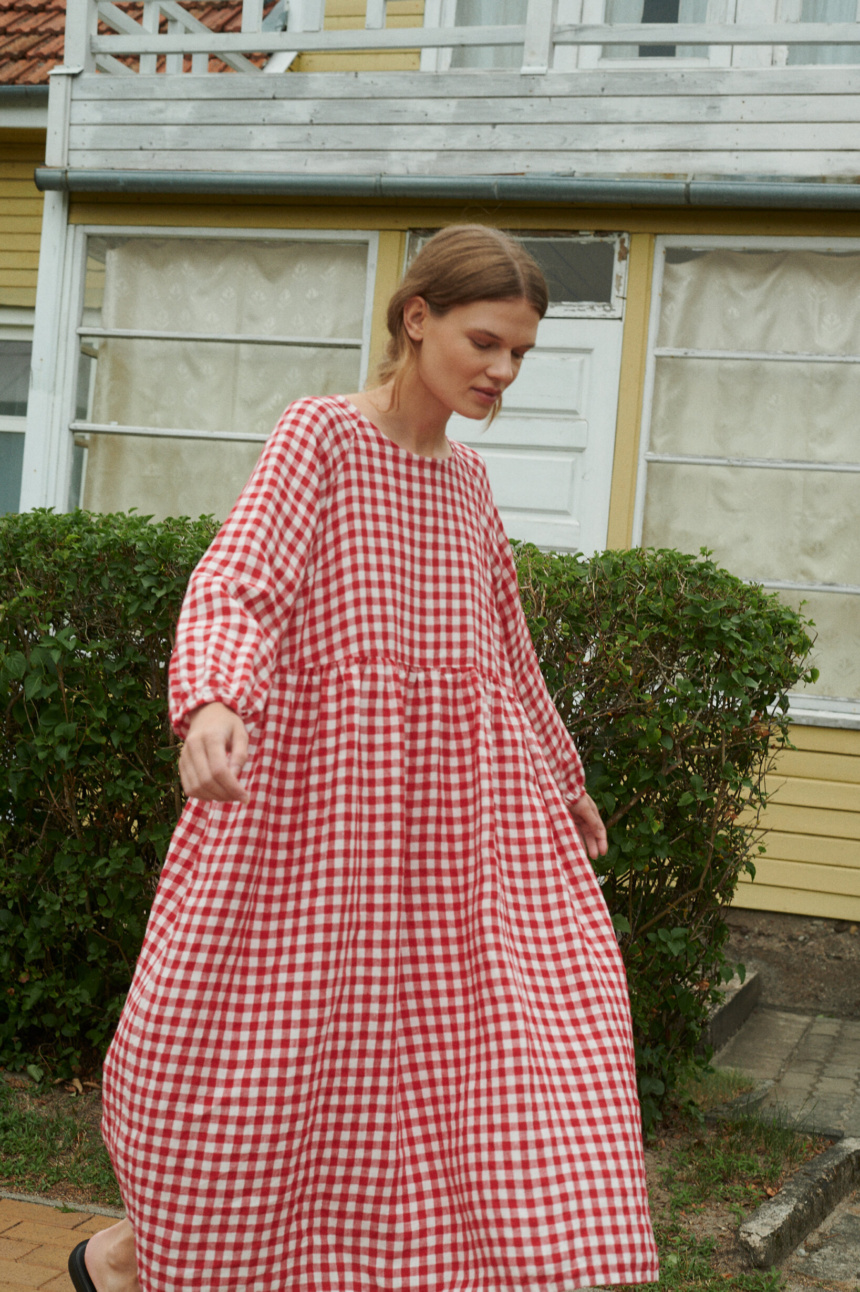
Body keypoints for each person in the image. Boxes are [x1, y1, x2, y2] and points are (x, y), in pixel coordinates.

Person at [69, 224, 658, 1292]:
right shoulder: (321, 438)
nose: (501, 370)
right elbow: (237, 580)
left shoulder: (468, 487)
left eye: (519, 353)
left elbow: (506, 657)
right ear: (415, 316)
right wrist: (210, 701)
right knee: (251, 1063)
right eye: (485, 341)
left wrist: (562, 782)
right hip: (314, 819)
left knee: (465, 1075)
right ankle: (132, 1251)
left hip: (446, 843)